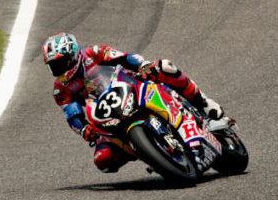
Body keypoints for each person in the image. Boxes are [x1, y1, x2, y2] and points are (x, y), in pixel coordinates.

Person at [42, 34, 222, 172]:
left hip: (131, 86)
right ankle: (146, 151)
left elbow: (126, 58)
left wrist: (143, 65)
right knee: (102, 160)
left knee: (165, 66)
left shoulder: (94, 53)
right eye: (53, 66)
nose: (57, 70)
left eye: (60, 63)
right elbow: (73, 115)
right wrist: (84, 130)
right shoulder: (61, 89)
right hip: (106, 115)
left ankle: (203, 102)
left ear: (72, 56)